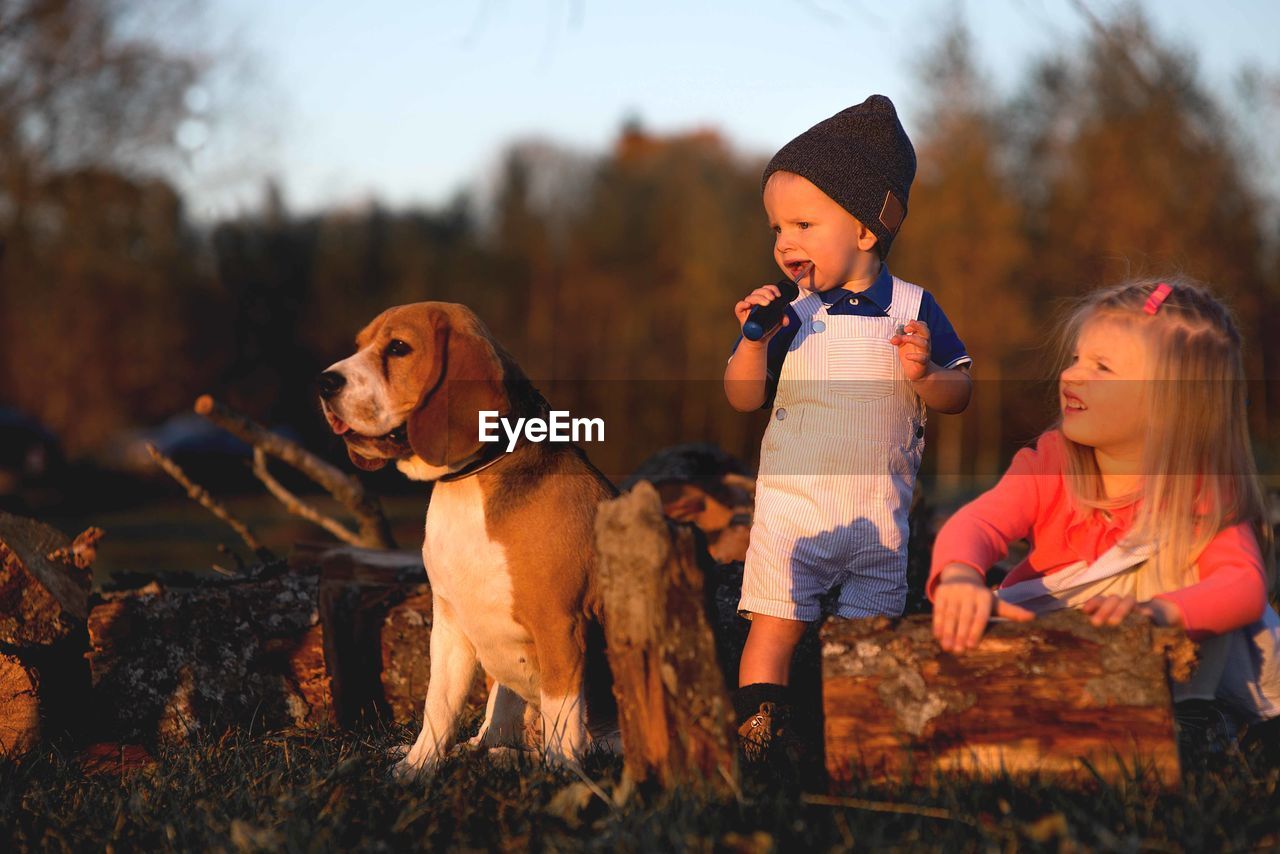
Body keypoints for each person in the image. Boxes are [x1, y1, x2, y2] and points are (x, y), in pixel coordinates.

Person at [929, 277, 1279, 748]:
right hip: (1051, 636)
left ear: (1171, 401)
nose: (1071, 374)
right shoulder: (1052, 463)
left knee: (1194, 571)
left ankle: (1193, 719)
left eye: (1103, 367)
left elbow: (1243, 585)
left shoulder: (1196, 490)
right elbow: (978, 522)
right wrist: (959, 576)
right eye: (1075, 358)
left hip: (1163, 654)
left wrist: (1157, 613)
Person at [724, 95, 973, 755]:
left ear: (867, 228)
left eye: (803, 224)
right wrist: (752, 343)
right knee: (774, 629)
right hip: (791, 513)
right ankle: (759, 743)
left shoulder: (915, 309)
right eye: (777, 228)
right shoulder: (791, 316)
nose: (785, 244)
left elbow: (962, 392)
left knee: (866, 642)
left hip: (878, 517)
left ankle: (856, 742)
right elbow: (743, 399)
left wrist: (926, 376)